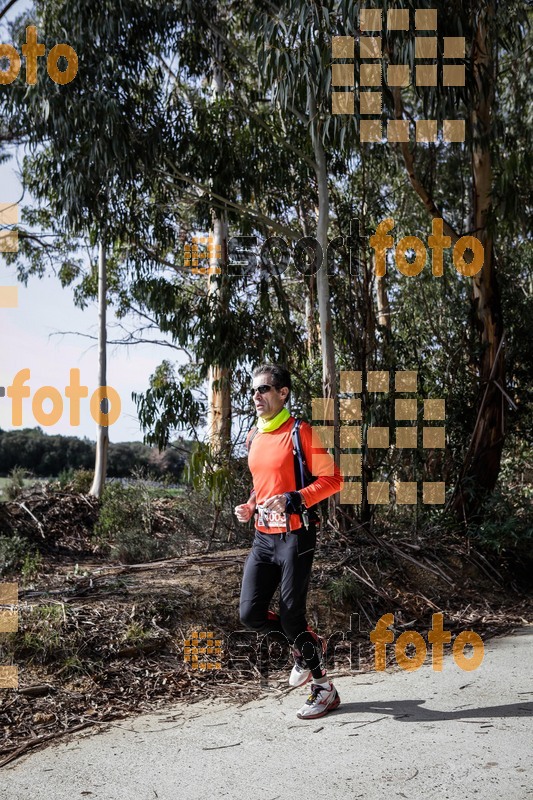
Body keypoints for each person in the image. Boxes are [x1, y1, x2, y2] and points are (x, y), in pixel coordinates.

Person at [235, 363, 343, 720]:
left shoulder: (301, 432)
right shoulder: (254, 436)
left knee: (292, 616)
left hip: (297, 536)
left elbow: (333, 479)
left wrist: (294, 498)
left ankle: (323, 689)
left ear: (283, 393)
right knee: (250, 614)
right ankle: (308, 646)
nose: (256, 396)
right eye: (253, 390)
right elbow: (262, 483)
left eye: (264, 389)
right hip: (263, 539)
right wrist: (251, 505)